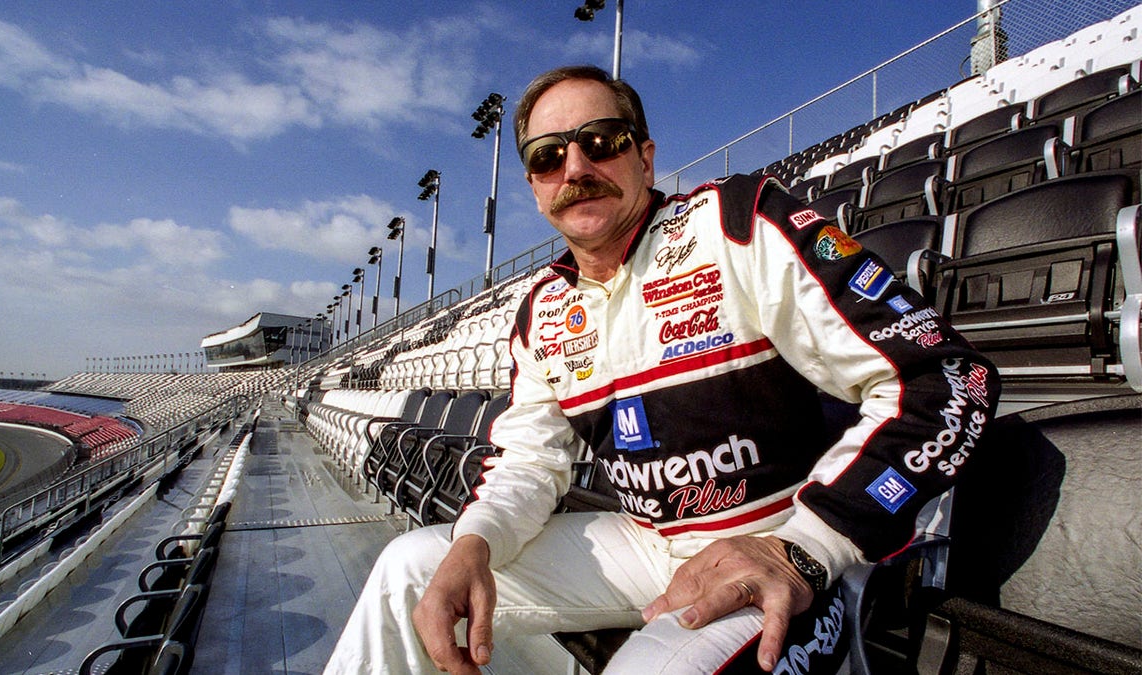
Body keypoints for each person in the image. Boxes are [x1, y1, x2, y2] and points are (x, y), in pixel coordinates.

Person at [327, 64, 999, 674]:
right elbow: (528, 465)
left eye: (602, 141)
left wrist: (805, 544)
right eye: (548, 155)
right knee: (413, 568)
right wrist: (475, 540)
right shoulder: (542, 310)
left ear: (644, 157)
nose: (576, 166)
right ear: (534, 188)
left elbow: (947, 379)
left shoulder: (736, 223)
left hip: (778, 544)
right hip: (647, 543)